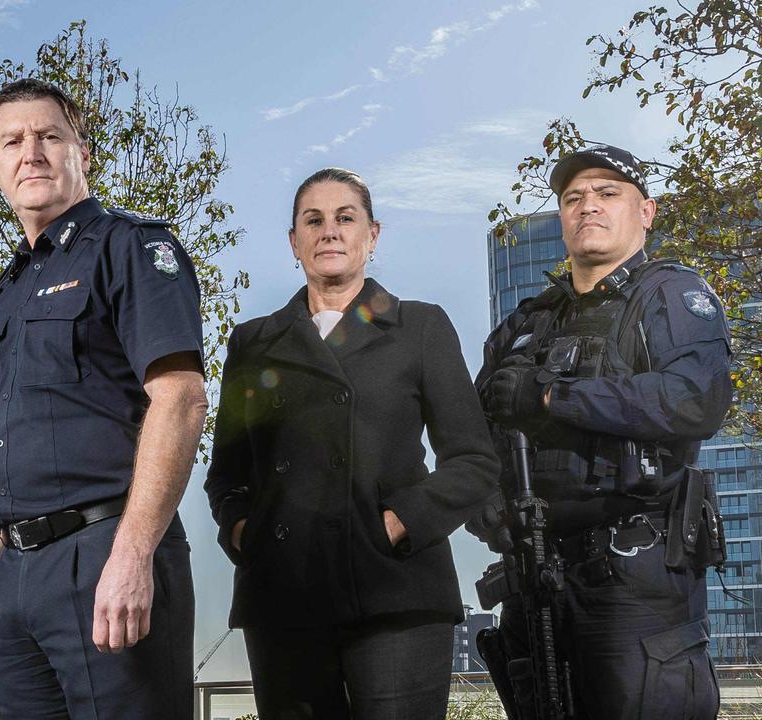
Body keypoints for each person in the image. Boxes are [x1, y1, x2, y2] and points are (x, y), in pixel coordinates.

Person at [0, 78, 208, 719]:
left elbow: (181, 399)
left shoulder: (132, 248)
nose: (30, 151)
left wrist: (133, 554)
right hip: (18, 578)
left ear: (81, 152)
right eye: (12, 141)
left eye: (48, 135)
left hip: (105, 552)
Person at [203, 167, 499, 719]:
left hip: (395, 588)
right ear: (295, 241)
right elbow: (227, 474)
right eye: (313, 220)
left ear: (372, 235)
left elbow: (475, 461)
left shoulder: (422, 328)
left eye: (345, 218)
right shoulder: (254, 343)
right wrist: (245, 532)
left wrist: (396, 523)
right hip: (283, 592)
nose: (329, 231)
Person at [472, 144, 733, 719]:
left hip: (634, 578)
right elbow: (473, 436)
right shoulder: (525, 323)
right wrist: (485, 503)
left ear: (646, 211)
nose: (588, 206)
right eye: (574, 197)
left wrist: (549, 396)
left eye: (607, 193)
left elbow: (695, 400)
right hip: (534, 578)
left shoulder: (669, 295)